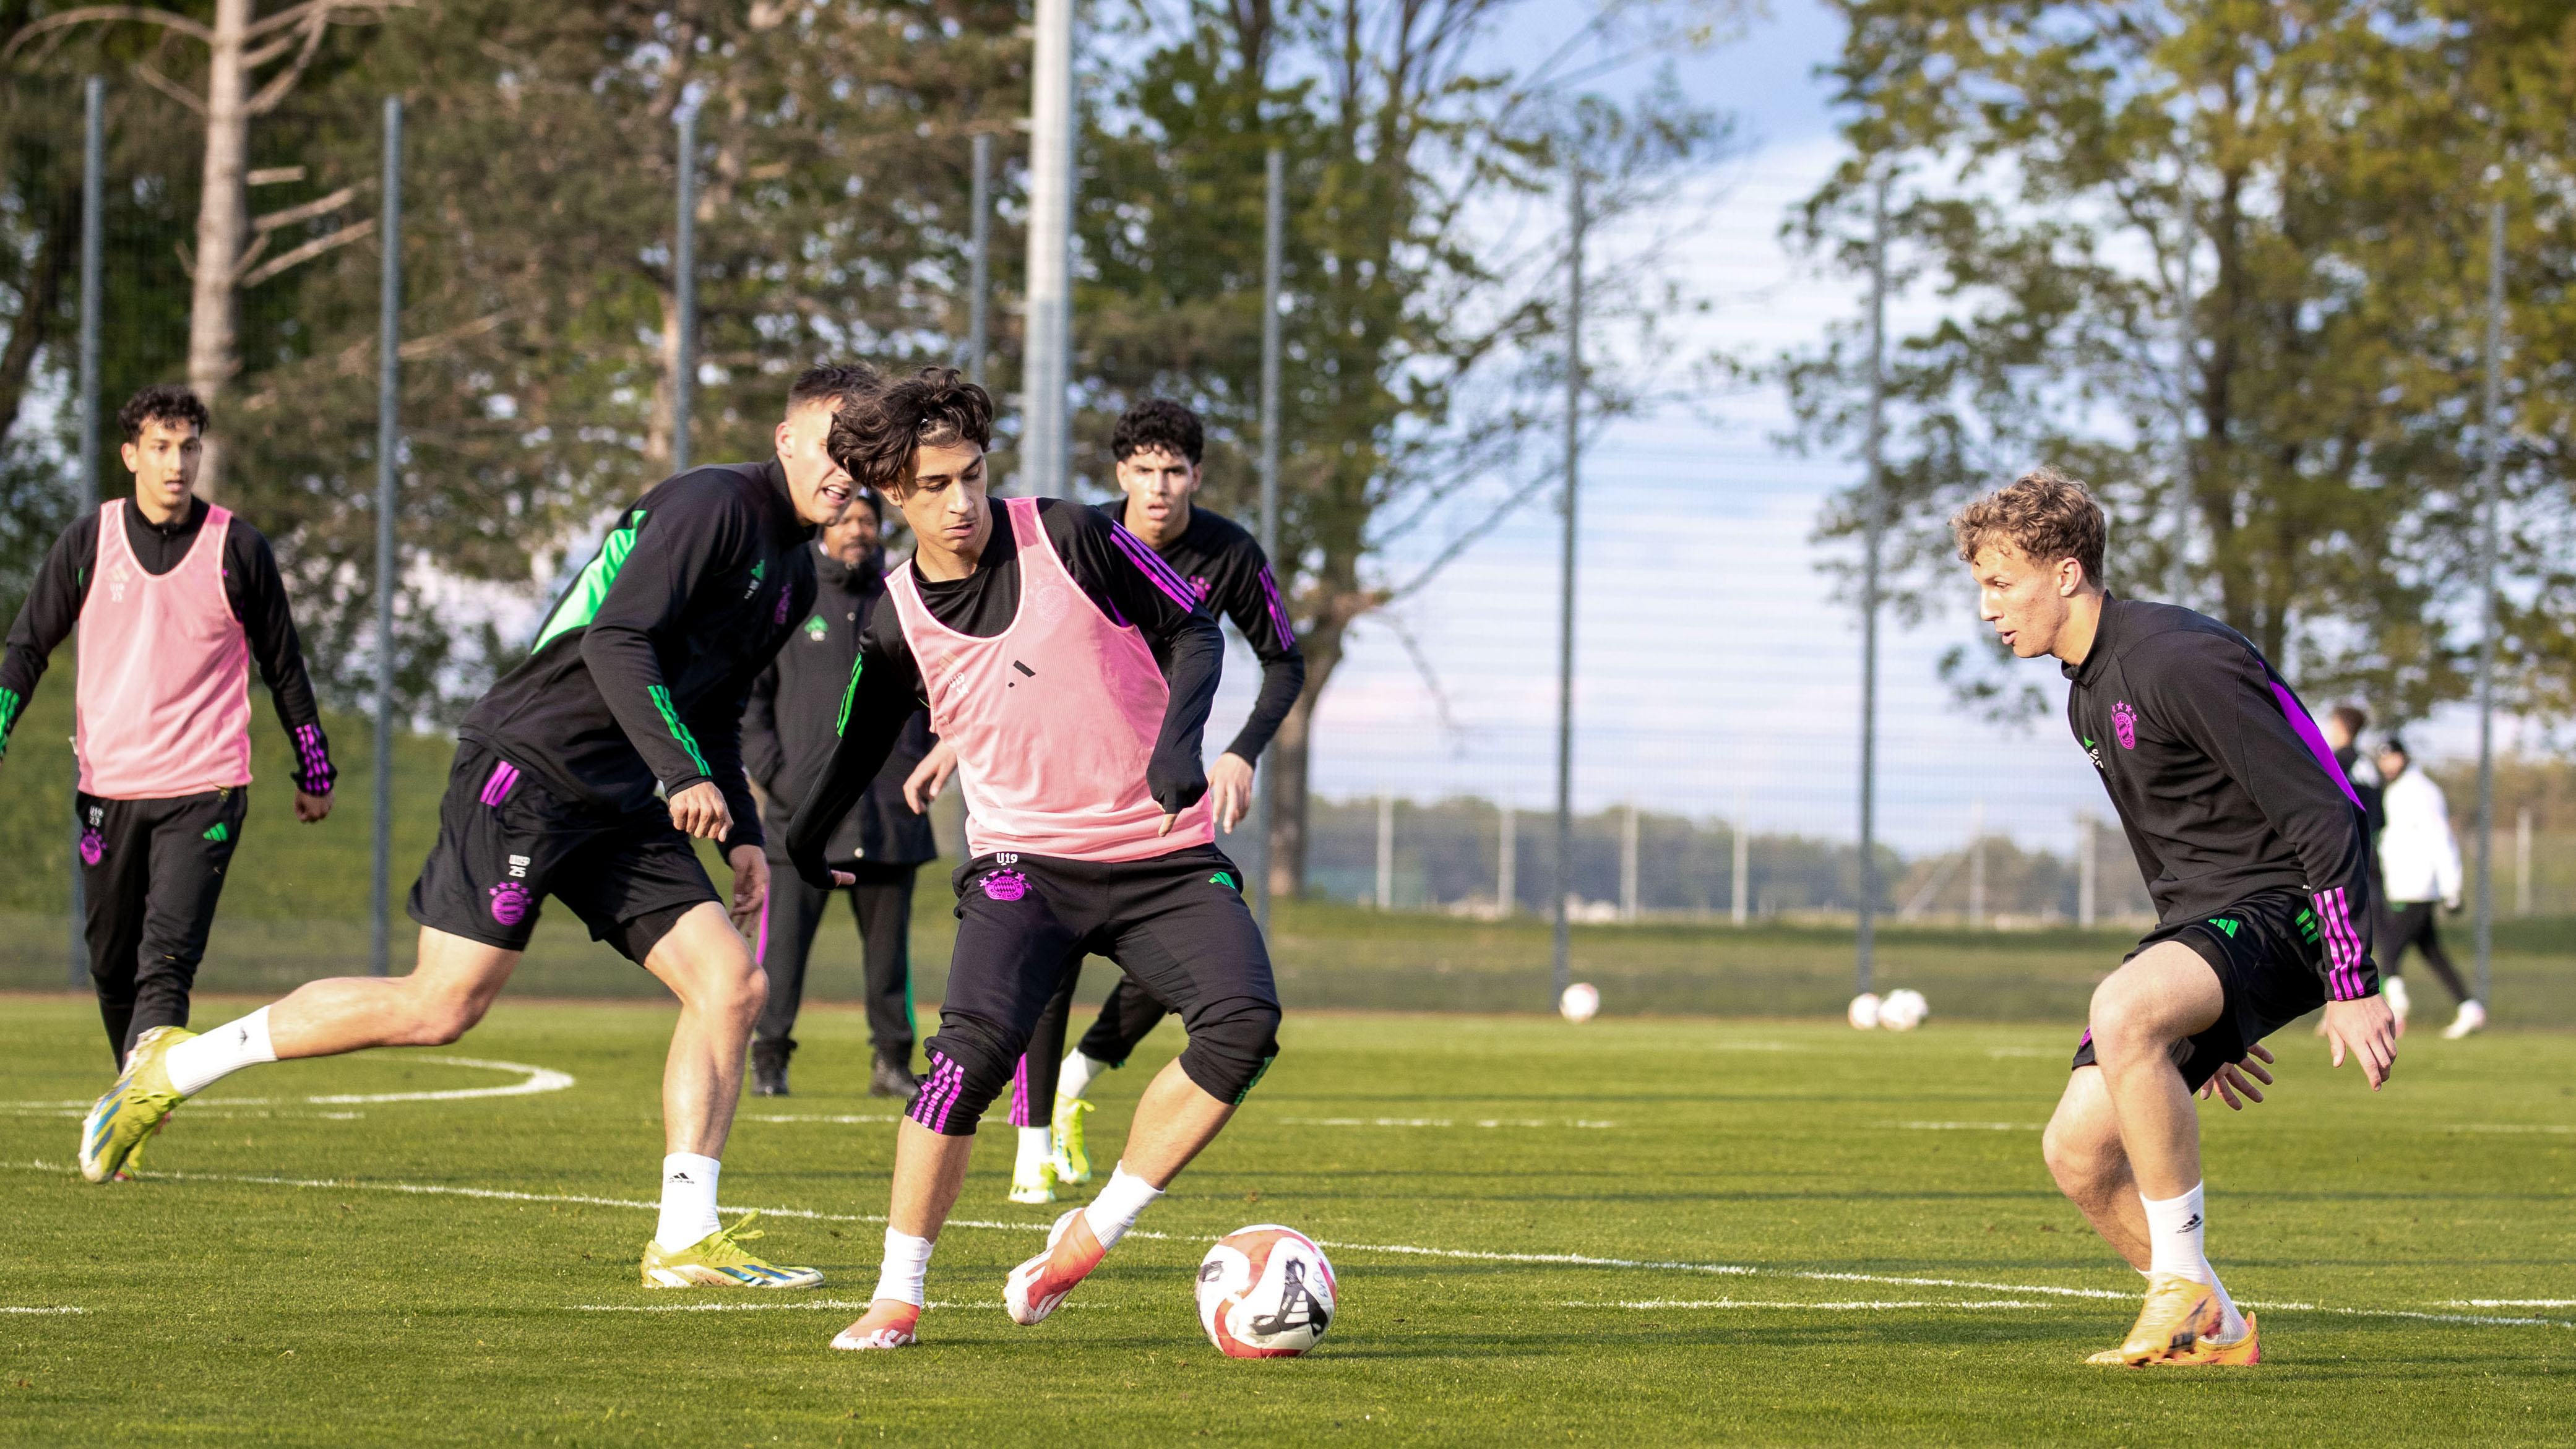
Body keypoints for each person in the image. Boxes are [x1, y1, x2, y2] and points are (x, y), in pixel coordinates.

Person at [79, 366, 873, 1293]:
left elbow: (723, 700)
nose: (845, 469)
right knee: (441, 1007)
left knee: (731, 985)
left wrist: (738, 827)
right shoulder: (714, 504)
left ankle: (683, 1238)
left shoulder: (790, 569)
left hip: (626, 800)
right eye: (831, 444)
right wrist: (682, 772)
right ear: (786, 438)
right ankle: (176, 1065)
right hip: (531, 770)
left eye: (862, 454)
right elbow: (619, 638)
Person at [788, 367, 1278, 1352]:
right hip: (1023, 865)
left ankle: (1087, 1235)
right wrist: (803, 836)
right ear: (893, 493)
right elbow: (853, 741)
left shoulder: (1067, 534)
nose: (962, 501)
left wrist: (1178, 745)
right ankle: (897, 1294)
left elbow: (1192, 628)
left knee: (1244, 1025)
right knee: (959, 1066)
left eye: (972, 475)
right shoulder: (894, 620)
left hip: (1163, 855)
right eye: (934, 486)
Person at [1958, 467, 2395, 1367]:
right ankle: (2215, 1327)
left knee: (2123, 1008)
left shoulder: (2175, 656)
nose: (1985, 608)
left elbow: (2325, 811)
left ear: (2067, 573)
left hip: (2290, 906)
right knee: (2076, 1152)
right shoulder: (2086, 689)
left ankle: (2180, 1287)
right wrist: (2207, 1009)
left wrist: (2350, 980)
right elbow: (2180, 854)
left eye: (1999, 582)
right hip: (2207, 924)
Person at [905, 398, 1304, 1203]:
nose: (1158, 487)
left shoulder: (1227, 551)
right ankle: (1033, 1145)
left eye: (1174, 470)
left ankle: (1084, 1070)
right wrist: (960, 735)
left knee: (1195, 954)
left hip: (1163, 789)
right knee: (1044, 958)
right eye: (1143, 469)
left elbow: (1282, 661)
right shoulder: (1079, 535)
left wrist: (1236, 752)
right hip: (1058, 790)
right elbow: (1022, 652)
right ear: (1120, 473)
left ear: (1196, 475)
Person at [2, 385, 337, 1099]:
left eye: (188, 446)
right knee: (111, 963)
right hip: (109, 786)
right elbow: (27, 647)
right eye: (160, 446)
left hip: (204, 787)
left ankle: (136, 1107)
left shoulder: (238, 548)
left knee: (166, 961)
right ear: (131, 456)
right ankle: (136, 1082)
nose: (176, 461)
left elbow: (285, 667)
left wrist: (315, 769)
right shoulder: (88, 543)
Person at [743, 483, 939, 1101]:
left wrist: (919, 759)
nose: (857, 528)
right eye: (846, 518)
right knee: (781, 956)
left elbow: (945, 689)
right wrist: (781, 778)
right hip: (800, 821)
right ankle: (769, 1059)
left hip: (888, 816)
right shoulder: (791, 596)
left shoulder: (907, 602)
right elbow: (750, 705)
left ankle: (891, 1064)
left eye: (867, 520)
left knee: (888, 965)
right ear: (827, 526)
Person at [2374, 737, 2483, 1038]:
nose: (2387, 764)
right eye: (2383, 759)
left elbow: (2441, 839)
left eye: (2392, 757)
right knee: (2431, 952)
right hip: (2400, 885)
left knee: (2390, 951)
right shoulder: (2395, 791)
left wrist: (2452, 888)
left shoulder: (2422, 792)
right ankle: (2469, 1007)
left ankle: (2396, 1007)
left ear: (2404, 757)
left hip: (2418, 887)